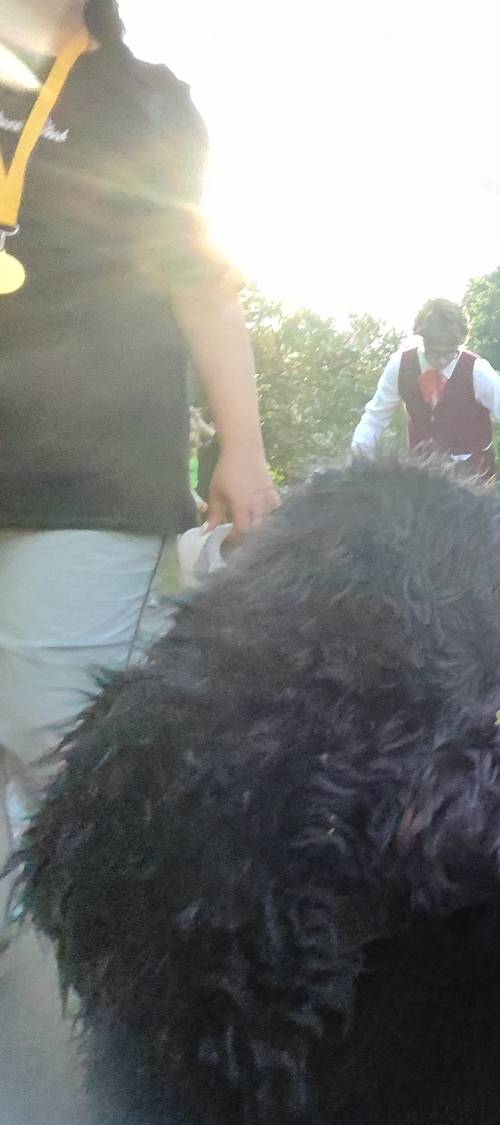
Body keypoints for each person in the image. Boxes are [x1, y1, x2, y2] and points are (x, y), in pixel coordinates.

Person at [1, 0, 277, 945]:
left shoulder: (144, 100)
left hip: (90, 477)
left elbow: (200, 283)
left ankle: (160, 964)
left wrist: (243, 450)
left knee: (57, 738)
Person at [350, 298, 500, 481]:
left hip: (475, 482)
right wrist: (357, 461)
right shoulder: (400, 366)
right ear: (422, 340)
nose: (442, 360)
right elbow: (375, 418)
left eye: (450, 353)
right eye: (434, 353)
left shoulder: (478, 371)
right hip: (421, 479)